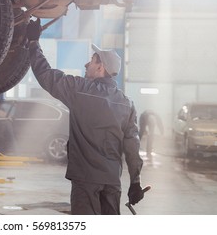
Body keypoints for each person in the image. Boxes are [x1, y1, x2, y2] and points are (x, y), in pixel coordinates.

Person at [26, 18, 145, 215]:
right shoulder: (127, 103)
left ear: (100, 68)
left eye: (92, 60)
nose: (86, 63)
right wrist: (135, 182)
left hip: (86, 181)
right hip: (111, 181)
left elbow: (46, 75)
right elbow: (132, 145)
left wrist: (33, 43)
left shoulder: (79, 90)